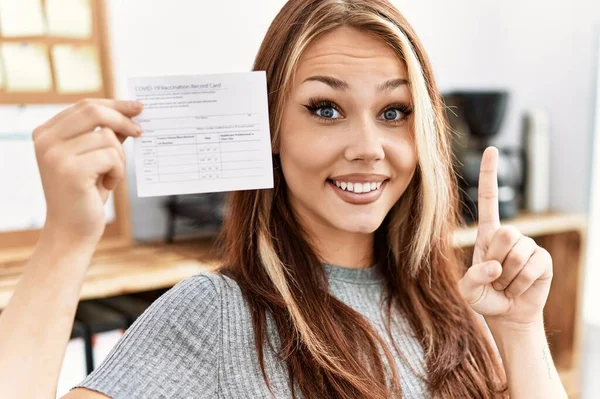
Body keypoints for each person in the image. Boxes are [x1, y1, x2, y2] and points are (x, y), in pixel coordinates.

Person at [0, 1, 567, 398]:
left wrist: (518, 329)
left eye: (394, 112)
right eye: (325, 109)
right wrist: (66, 242)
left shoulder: (450, 298)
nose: (369, 149)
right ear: (268, 126)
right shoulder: (217, 315)